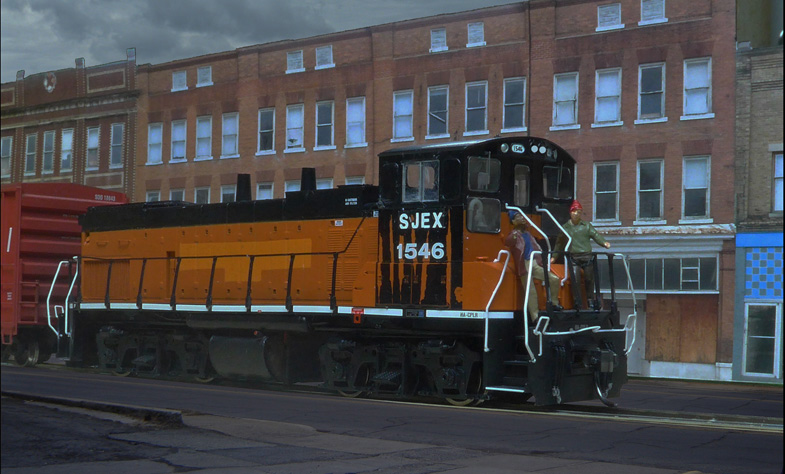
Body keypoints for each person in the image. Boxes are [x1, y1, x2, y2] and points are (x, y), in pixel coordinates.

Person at [504, 210, 562, 322]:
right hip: (524, 264)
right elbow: (508, 242)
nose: (522, 218)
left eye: (522, 216)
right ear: (513, 221)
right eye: (518, 217)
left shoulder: (528, 234)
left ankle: (554, 303)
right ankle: (535, 316)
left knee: (554, 279)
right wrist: (514, 235)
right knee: (531, 290)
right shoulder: (514, 235)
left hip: (534, 263)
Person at [551, 200, 610, 308]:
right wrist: (554, 257)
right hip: (574, 257)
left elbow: (596, 235)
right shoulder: (565, 228)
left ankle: (590, 300)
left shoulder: (586, 226)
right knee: (575, 280)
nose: (576, 214)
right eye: (574, 211)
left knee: (589, 279)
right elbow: (559, 243)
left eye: (579, 212)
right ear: (570, 212)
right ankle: (577, 302)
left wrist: (604, 243)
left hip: (587, 256)